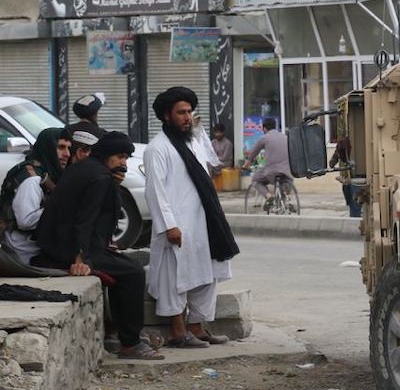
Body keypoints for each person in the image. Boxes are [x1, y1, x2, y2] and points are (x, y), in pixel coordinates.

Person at [33, 132, 162, 360]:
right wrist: (80, 258)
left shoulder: (87, 168)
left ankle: (119, 333)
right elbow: (85, 219)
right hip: (68, 251)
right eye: (119, 156)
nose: (123, 162)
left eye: (126, 157)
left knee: (127, 265)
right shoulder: (100, 178)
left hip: (58, 245)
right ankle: (130, 343)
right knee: (133, 273)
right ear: (106, 154)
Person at [145, 87, 240, 349]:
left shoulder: (193, 141)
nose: (187, 117)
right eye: (181, 113)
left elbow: (210, 167)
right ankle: (178, 332)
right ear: (166, 116)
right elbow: (156, 191)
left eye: (189, 112)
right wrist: (169, 225)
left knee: (206, 274)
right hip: (177, 225)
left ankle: (197, 328)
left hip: (203, 221)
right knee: (174, 278)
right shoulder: (158, 148)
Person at [1, 127, 70, 264]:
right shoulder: (32, 179)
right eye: (61, 147)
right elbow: (25, 221)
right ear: (48, 148)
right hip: (23, 251)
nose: (66, 154)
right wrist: (60, 207)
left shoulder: (47, 172)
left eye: (68, 148)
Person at [242, 118, 292, 201]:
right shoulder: (285, 137)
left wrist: (246, 165)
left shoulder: (264, 138)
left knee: (255, 180)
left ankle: (268, 196)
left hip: (272, 172)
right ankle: (285, 198)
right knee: (283, 184)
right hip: (287, 171)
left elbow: (253, 153)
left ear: (264, 128)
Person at [330, 136, 361, 218]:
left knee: (355, 207)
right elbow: (336, 155)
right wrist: (333, 161)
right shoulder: (342, 143)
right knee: (352, 205)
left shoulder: (352, 139)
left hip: (355, 177)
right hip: (346, 179)